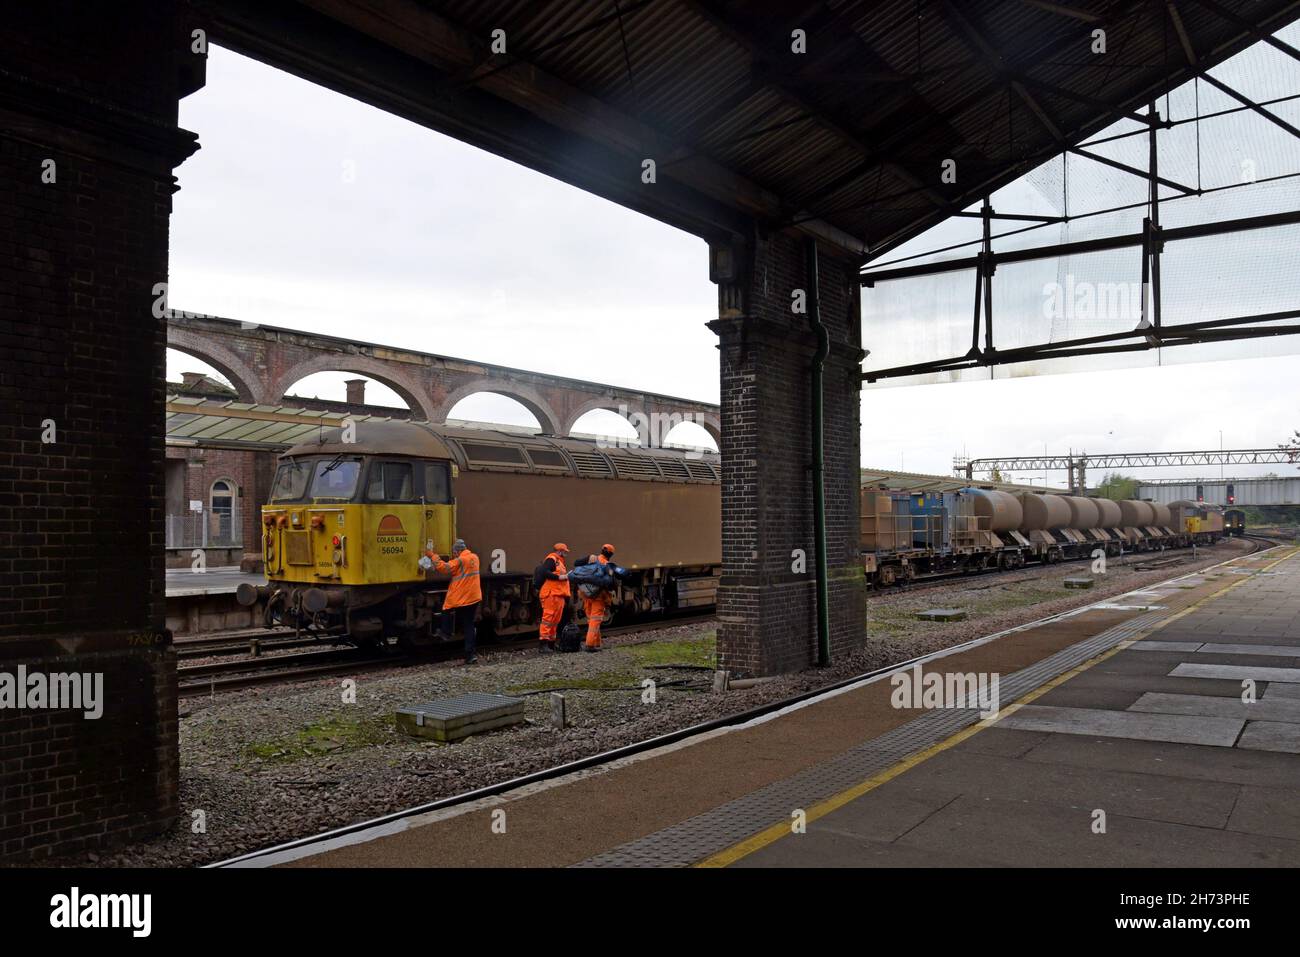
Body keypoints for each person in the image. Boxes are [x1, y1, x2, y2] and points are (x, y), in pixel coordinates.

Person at [420, 538, 481, 664]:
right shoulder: (475, 558)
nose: (453, 555)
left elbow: (445, 568)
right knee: (469, 625)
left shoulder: (460, 560)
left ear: (457, 552)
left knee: (446, 609)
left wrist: (432, 555)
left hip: (463, 597)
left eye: (454, 553)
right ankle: (470, 655)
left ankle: (446, 632)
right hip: (474, 597)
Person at [578, 543, 616, 652]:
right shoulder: (607, 565)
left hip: (586, 594)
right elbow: (609, 585)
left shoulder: (592, 560)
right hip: (598, 597)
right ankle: (590, 645)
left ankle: (597, 643)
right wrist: (609, 601)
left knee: (592, 620)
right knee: (595, 621)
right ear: (610, 554)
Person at [537, 542, 570, 652]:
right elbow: (544, 572)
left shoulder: (559, 562)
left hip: (559, 595)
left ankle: (551, 644)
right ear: (560, 551)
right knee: (547, 619)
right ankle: (543, 644)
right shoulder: (551, 559)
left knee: (555, 620)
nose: (566, 553)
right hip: (551, 594)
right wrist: (559, 577)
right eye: (565, 551)